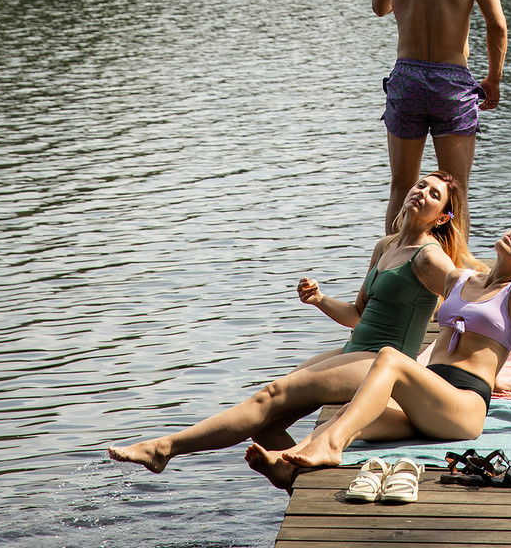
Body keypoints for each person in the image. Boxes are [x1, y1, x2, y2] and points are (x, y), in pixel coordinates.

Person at [107, 171, 471, 477]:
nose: (422, 192)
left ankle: (165, 447)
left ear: (441, 218)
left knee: (271, 395)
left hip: (379, 362)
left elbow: (466, 296)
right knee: (267, 422)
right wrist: (320, 299)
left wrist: (446, 353)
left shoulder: (428, 257)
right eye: (421, 185)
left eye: (434, 194)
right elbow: (357, 315)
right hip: (355, 349)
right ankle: (289, 473)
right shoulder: (386, 246)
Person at [247, 222, 511, 481]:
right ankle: (286, 463)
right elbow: (416, 278)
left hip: (463, 405)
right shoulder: (461, 278)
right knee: (353, 414)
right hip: (429, 397)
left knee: (390, 357)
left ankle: (327, 448)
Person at [375, 0, 507, 234]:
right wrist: (493, 79)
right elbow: (497, 25)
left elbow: (380, 7)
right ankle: (455, 265)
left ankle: (390, 263)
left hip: (407, 77)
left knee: (402, 187)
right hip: (453, 81)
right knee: (456, 190)